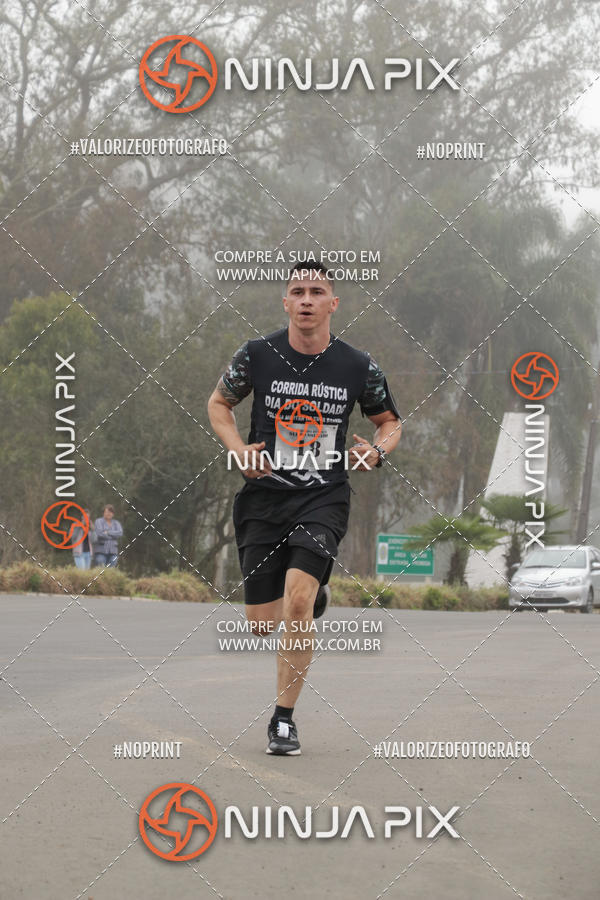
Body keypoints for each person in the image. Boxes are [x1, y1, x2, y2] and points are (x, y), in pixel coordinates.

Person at [207, 260, 402, 756]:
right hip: (264, 497)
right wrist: (238, 448)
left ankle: (283, 720)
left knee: (296, 599)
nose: (308, 299)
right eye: (299, 291)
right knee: (260, 623)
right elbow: (218, 404)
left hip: (323, 497)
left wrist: (377, 451)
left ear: (333, 303)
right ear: (286, 302)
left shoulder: (358, 365)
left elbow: (390, 423)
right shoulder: (258, 354)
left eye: (318, 291)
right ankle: (312, 599)